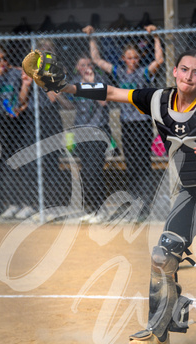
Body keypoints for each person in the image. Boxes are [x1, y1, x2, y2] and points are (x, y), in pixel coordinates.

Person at [39, 49, 196, 344]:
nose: (188, 76)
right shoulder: (158, 99)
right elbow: (113, 91)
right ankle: (158, 333)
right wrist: (67, 87)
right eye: (184, 70)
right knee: (162, 256)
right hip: (188, 192)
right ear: (174, 72)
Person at [83, 23, 164, 221]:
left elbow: (159, 60)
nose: (132, 61)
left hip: (142, 122)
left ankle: (145, 204)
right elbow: (96, 60)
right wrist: (92, 37)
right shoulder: (119, 72)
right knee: (131, 163)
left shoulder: (143, 73)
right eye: (129, 58)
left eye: (135, 57)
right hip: (127, 122)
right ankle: (134, 203)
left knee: (143, 163)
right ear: (123, 59)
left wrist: (155, 38)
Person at [0, 47, 34, 219]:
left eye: (4, 59)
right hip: (0, 121)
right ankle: (13, 203)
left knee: (21, 161)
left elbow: (23, 97)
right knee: (6, 164)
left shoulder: (16, 73)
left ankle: (28, 202)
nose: (2, 63)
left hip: (17, 120)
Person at [63, 55, 112, 223]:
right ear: (77, 68)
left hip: (98, 131)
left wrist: (92, 84)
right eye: (82, 64)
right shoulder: (75, 82)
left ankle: (101, 210)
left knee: (94, 170)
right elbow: (70, 105)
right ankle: (93, 208)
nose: (86, 67)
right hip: (81, 132)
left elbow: (104, 102)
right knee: (85, 172)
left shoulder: (100, 80)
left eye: (89, 64)